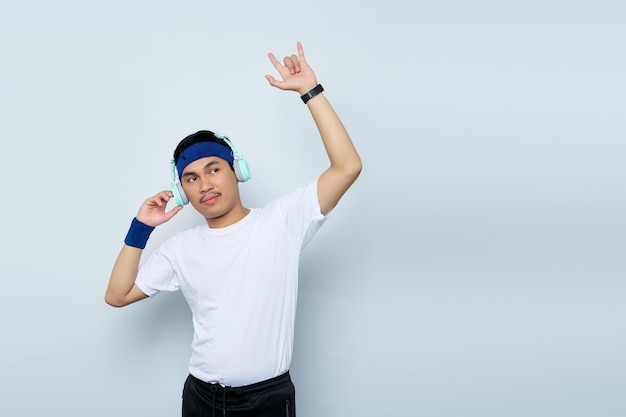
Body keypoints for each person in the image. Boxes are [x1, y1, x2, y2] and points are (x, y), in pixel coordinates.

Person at [105, 42, 362, 417]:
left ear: (236, 171)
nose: (205, 184)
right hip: (201, 399)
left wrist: (310, 91)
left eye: (214, 169)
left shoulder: (281, 222)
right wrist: (141, 227)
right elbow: (118, 295)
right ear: (183, 191)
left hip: (268, 401)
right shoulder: (181, 248)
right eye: (191, 178)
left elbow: (347, 167)